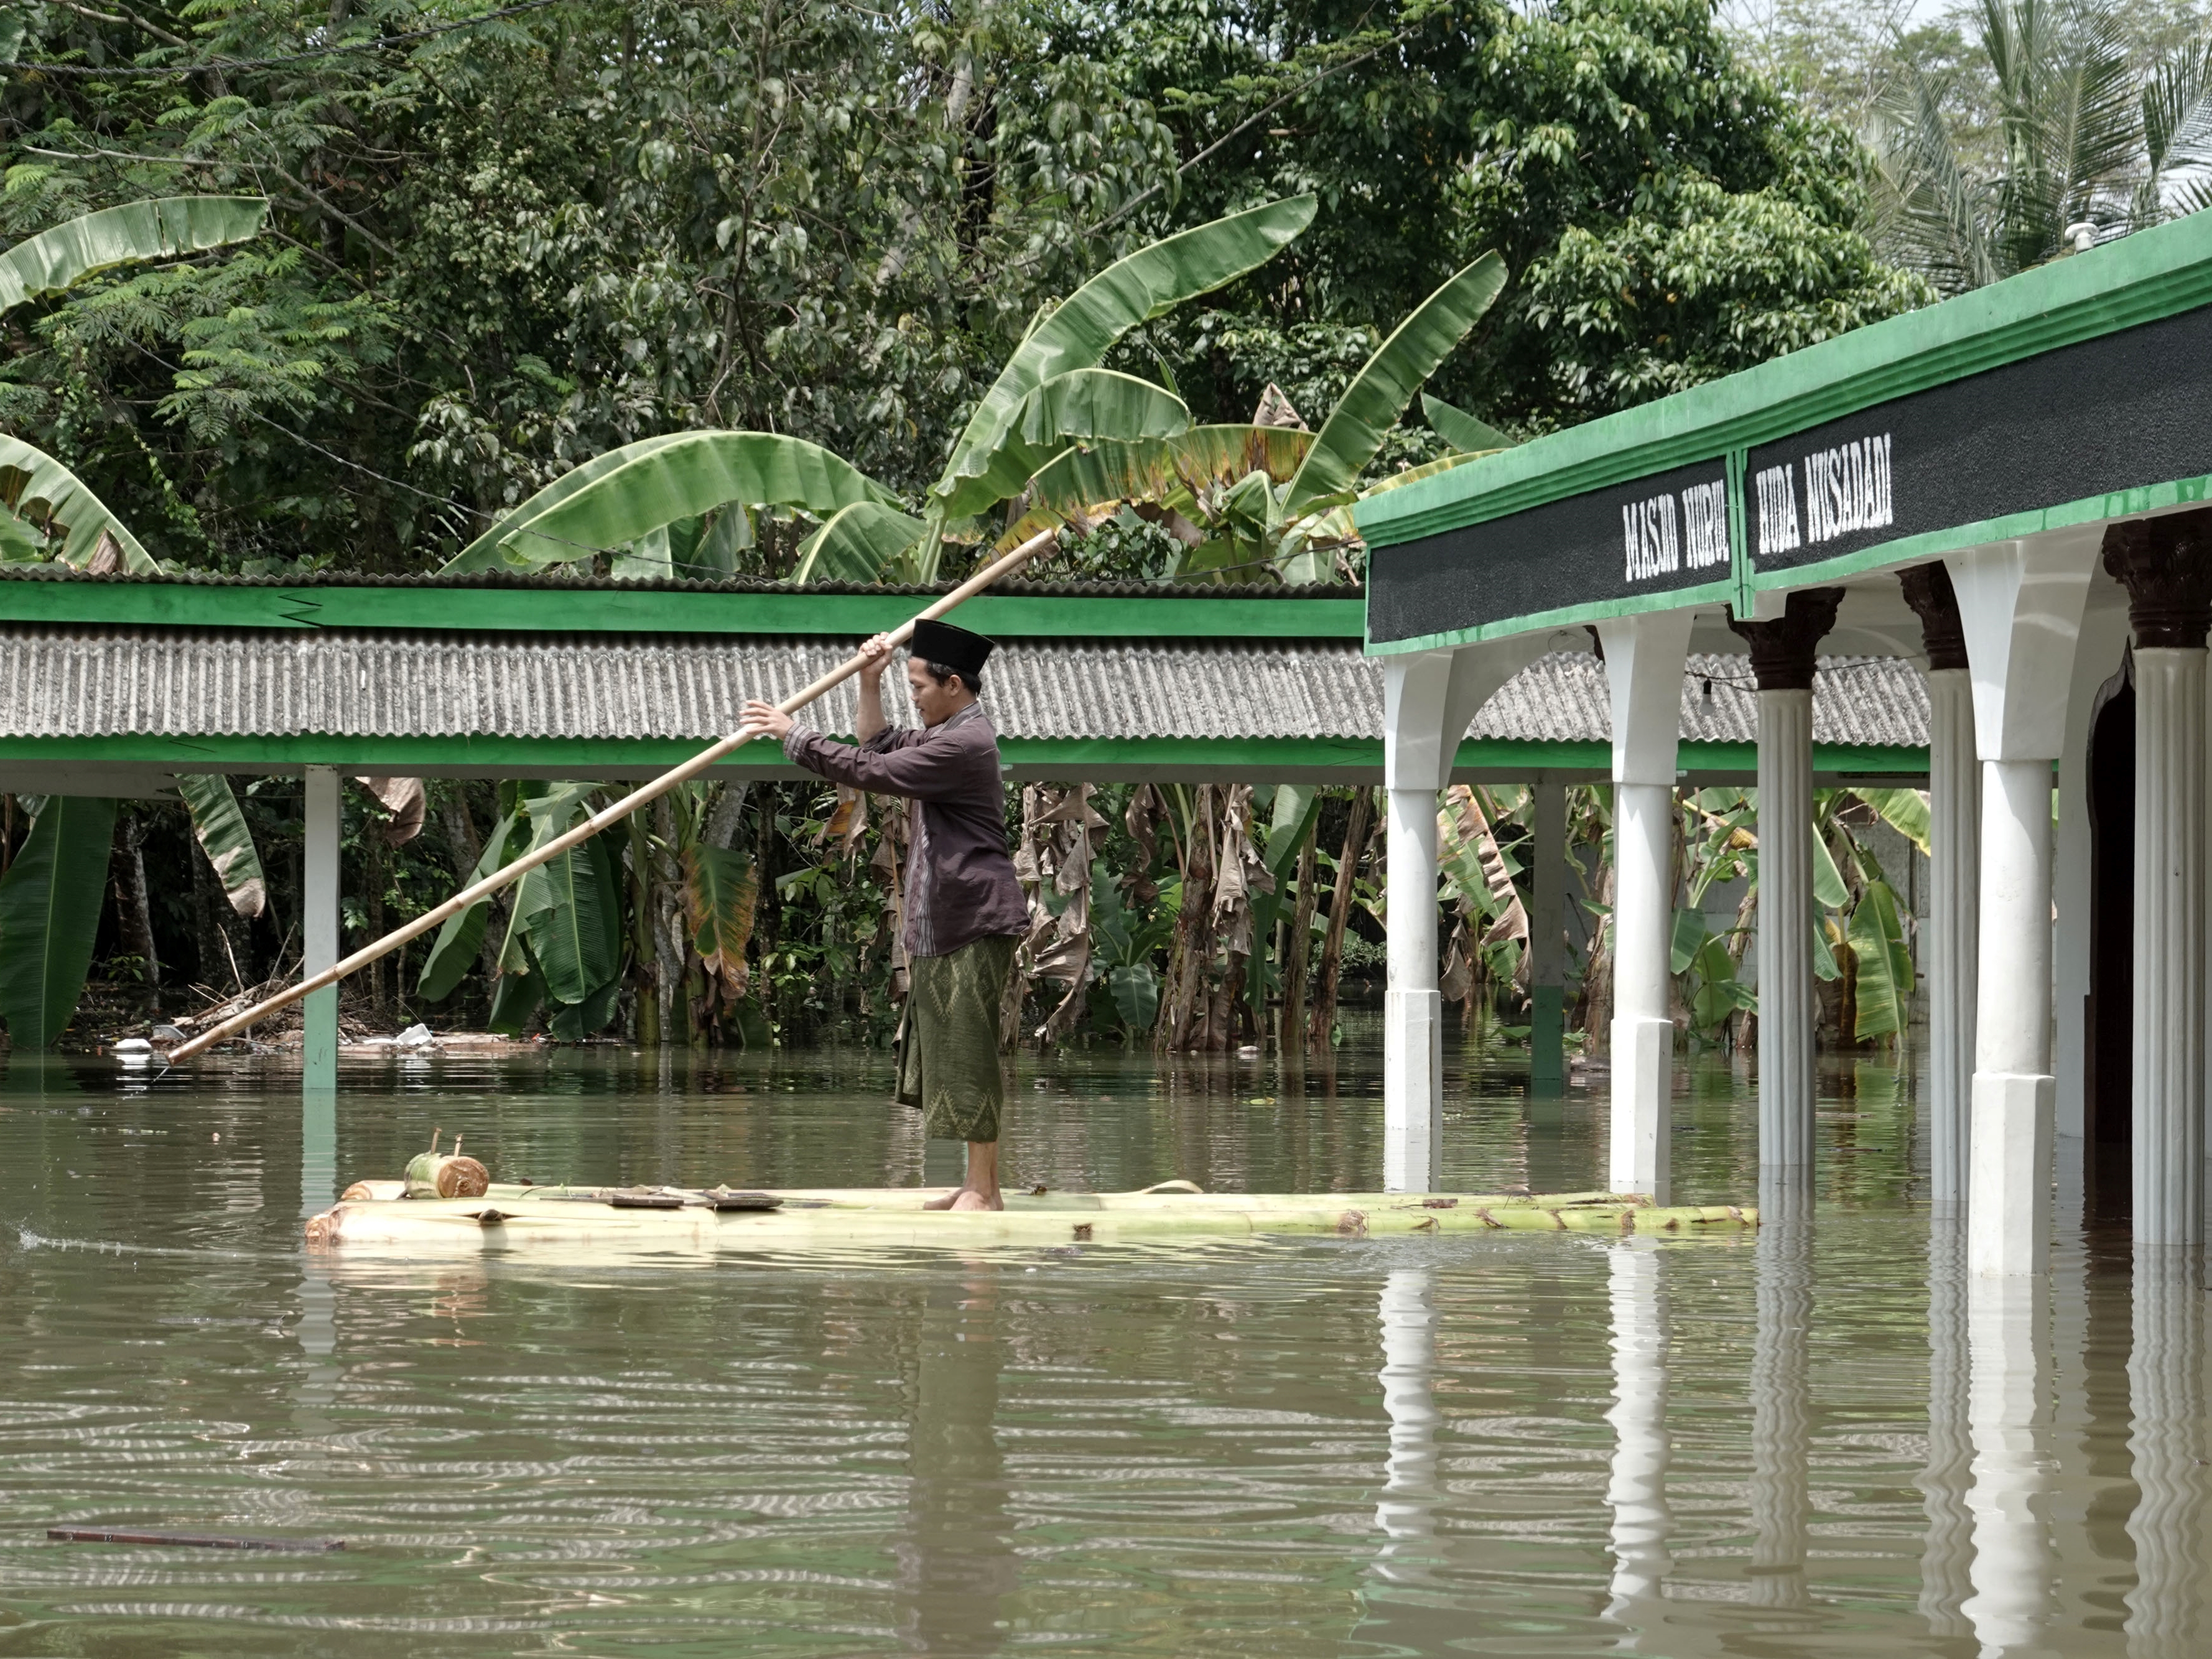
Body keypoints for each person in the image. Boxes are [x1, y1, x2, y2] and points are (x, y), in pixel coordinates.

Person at [738, 620, 1028, 1211]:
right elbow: (876, 745)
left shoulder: (965, 744)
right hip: (945, 921)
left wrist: (795, 735)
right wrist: (869, 680)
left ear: (952, 684)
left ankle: (985, 1190)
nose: (913, 695)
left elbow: (869, 772)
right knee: (950, 1046)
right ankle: (977, 1184)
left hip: (972, 918)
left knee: (969, 1046)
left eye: (918, 685)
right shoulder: (942, 733)